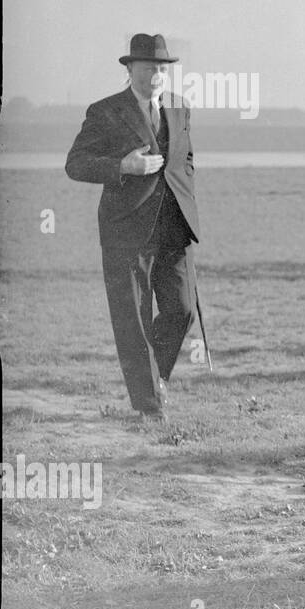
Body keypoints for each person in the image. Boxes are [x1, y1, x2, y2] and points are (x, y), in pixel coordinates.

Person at [65, 33, 200, 421]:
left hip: (174, 229)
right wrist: (123, 167)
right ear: (129, 69)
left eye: (162, 67)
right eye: (148, 67)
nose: (157, 74)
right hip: (126, 231)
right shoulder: (105, 111)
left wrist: (188, 209)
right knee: (134, 318)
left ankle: (154, 378)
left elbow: (186, 161)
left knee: (182, 310)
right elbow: (75, 163)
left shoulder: (179, 108)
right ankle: (148, 405)